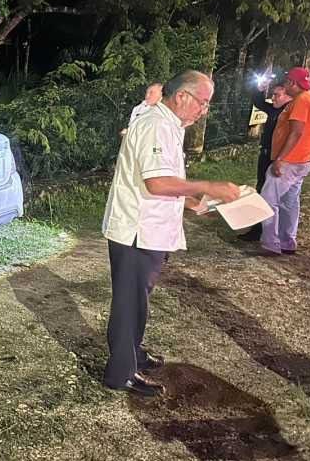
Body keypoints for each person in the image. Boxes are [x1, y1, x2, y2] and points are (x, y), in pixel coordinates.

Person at [101, 71, 241, 397]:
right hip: (136, 231)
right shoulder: (156, 125)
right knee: (129, 303)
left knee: (137, 300)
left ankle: (132, 354)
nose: (204, 110)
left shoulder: (169, 125)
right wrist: (207, 185)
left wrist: (193, 202)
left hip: (150, 230)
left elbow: (164, 180)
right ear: (182, 96)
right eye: (203, 103)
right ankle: (120, 373)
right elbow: (156, 183)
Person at [259, 67, 310, 256]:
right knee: (289, 201)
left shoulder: (301, 101)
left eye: (287, 82)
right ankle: (288, 241)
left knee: (268, 199)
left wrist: (281, 159)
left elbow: (296, 132)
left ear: (294, 83)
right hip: (303, 159)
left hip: (290, 161)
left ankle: (272, 243)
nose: (286, 86)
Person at [239, 79, 292, 241]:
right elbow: (260, 103)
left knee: (276, 196)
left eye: (277, 95)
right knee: (262, 190)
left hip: (279, 158)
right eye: (272, 94)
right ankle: (257, 229)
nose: (273, 98)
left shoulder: (290, 113)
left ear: (289, 96)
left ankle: (273, 232)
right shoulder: (275, 110)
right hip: (266, 155)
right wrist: (259, 90)